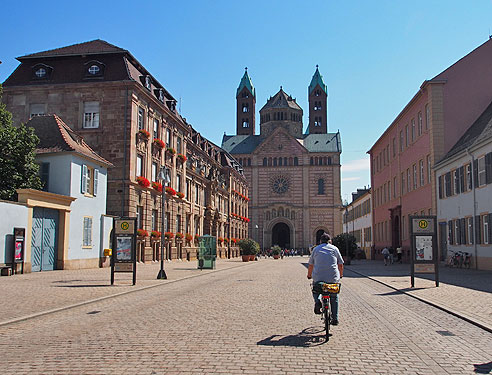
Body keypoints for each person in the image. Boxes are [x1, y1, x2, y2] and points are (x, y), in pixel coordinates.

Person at [307, 233, 344, 325]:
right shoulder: (335, 249)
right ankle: (335, 318)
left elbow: (311, 265)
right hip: (333, 277)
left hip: (318, 277)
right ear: (330, 241)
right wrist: (341, 275)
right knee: (334, 296)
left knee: (316, 289)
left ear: (320, 241)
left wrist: (309, 275)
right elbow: (340, 264)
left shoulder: (315, 249)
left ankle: (317, 302)